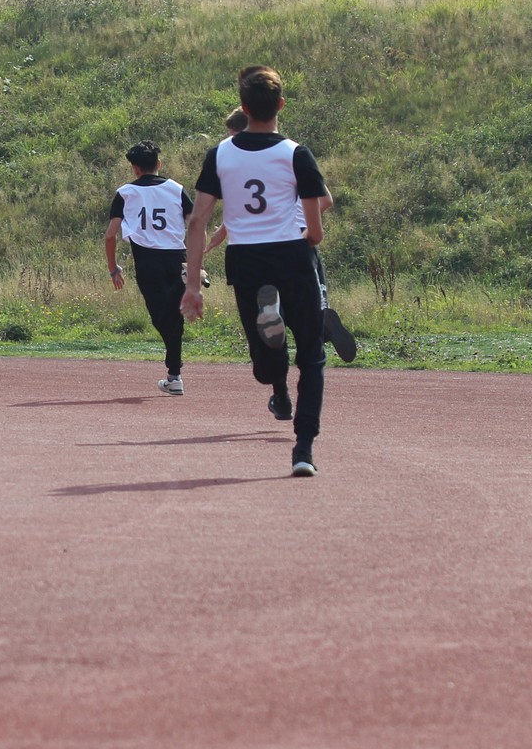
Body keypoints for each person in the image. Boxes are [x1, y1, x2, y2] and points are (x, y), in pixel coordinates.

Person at [183, 67, 332, 478]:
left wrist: (193, 286)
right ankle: (303, 449)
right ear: (280, 105)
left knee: (264, 361)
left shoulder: (221, 154)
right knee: (313, 357)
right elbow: (316, 228)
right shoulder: (295, 153)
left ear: (244, 109)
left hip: (245, 260)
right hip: (291, 256)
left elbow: (198, 221)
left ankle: (277, 383)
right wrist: (308, 237)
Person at [208, 107, 357, 365]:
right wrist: (304, 219)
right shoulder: (293, 154)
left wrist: (219, 235)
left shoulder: (242, 160)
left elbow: (245, 211)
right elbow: (327, 200)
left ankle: (288, 328)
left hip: (270, 241)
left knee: (272, 305)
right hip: (300, 239)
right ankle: (320, 324)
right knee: (308, 301)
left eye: (232, 135)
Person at [105, 141, 194, 395]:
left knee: (163, 318)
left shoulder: (125, 192)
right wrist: (198, 261)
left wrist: (114, 268)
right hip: (179, 258)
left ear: (134, 169)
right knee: (172, 318)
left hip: (147, 261)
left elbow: (110, 235)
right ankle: (174, 375)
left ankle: (174, 375)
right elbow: (196, 225)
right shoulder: (177, 189)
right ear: (159, 164)